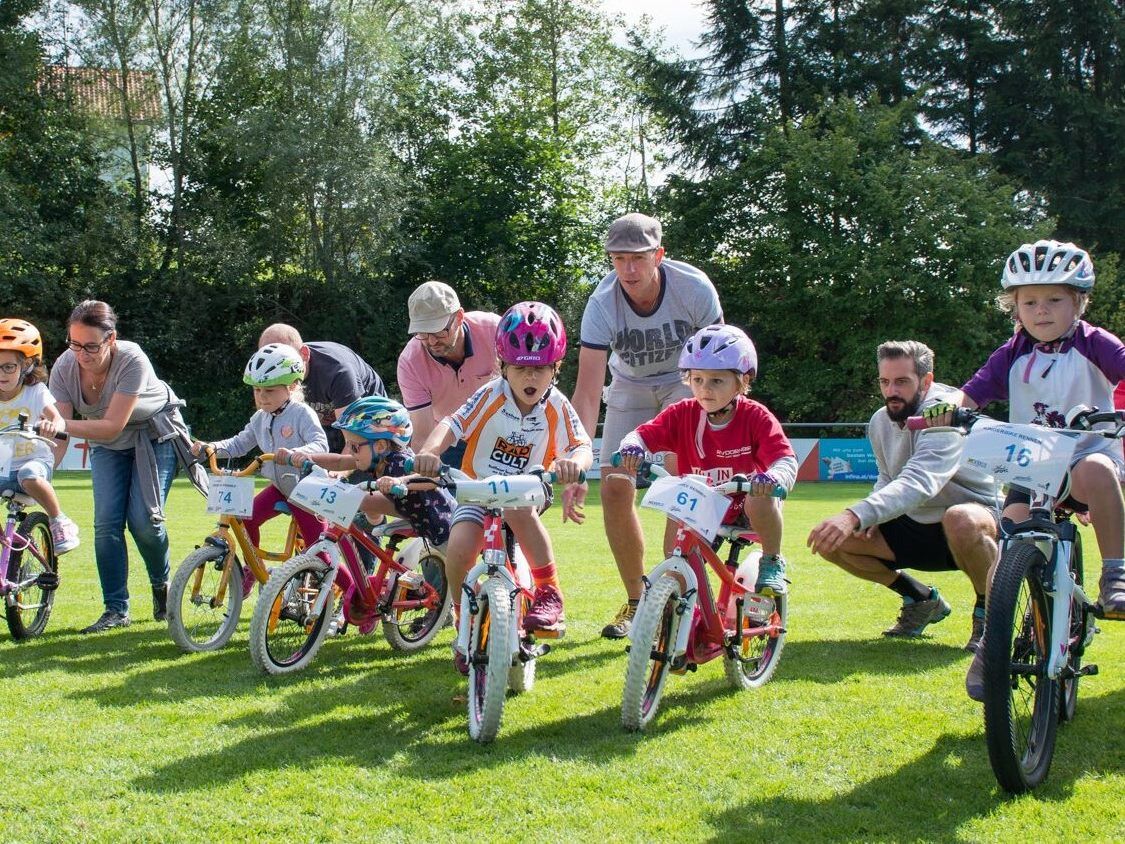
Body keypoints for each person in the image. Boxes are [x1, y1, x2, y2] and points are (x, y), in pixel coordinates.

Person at [925, 240, 1125, 699]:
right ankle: (992, 645)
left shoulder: (1095, 343)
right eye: (1029, 301)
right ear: (1013, 306)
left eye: (1055, 299)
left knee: (1096, 468)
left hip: (1085, 459)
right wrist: (947, 405)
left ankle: (1115, 572)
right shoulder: (1012, 352)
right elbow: (971, 393)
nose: (1041, 311)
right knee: (1009, 542)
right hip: (1034, 468)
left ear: (1078, 302)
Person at [413, 301, 592, 674]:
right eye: (521, 368)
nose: (531, 378)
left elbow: (581, 445)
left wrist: (575, 464)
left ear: (556, 369)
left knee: (516, 507)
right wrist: (430, 450)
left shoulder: (556, 405)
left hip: (529, 488)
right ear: (503, 367)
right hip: (478, 489)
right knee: (460, 549)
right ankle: (465, 620)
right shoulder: (490, 395)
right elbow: (453, 423)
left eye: (541, 368)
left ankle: (548, 591)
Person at [570, 212, 723, 638]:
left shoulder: (693, 288)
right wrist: (580, 457)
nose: (628, 270)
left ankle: (672, 593)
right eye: (618, 259)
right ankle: (639, 601)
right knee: (615, 482)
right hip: (630, 386)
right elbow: (586, 390)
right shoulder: (602, 304)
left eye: (637, 258)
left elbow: (719, 364)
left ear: (659, 254)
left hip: (686, 381)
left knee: (682, 477)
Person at [806, 340, 998, 654]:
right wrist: (870, 514)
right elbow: (888, 474)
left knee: (960, 518)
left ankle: (988, 613)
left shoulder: (944, 414)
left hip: (974, 522)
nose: (891, 391)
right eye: (885, 382)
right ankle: (920, 600)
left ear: (926, 381)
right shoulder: (880, 420)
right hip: (917, 523)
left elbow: (920, 481)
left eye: (902, 382)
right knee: (832, 540)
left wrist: (857, 513)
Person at [40, 301, 200, 633]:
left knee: (144, 522)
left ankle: (161, 584)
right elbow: (60, 432)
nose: (81, 354)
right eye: (74, 343)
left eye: (91, 346)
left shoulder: (132, 358)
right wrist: (42, 472)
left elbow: (109, 424)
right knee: (106, 524)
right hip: (108, 446)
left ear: (111, 339)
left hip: (155, 436)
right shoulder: (65, 366)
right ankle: (115, 610)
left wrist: (60, 426)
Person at [617, 325, 797, 594]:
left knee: (759, 498)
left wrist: (773, 478)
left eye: (716, 381)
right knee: (677, 559)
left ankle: (771, 561)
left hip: (750, 506)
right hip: (706, 506)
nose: (704, 390)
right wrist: (632, 447)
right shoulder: (682, 414)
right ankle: (683, 611)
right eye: (697, 379)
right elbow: (641, 435)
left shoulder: (756, 417)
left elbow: (785, 459)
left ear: (742, 381)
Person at [192, 344, 329, 593]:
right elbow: (238, 444)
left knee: (321, 553)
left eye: (269, 390)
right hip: (280, 488)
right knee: (246, 520)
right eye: (257, 390)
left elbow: (321, 444)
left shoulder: (301, 414)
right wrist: (211, 447)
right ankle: (252, 568)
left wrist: (298, 453)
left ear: (292, 387)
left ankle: (355, 599)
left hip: (307, 492)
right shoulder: (260, 417)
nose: (261, 397)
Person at [276, 396, 454, 548]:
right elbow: (338, 461)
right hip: (412, 513)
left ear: (381, 446)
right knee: (356, 495)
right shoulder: (374, 458)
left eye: (354, 446)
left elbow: (434, 477)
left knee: (461, 581)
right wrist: (304, 456)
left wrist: (401, 481)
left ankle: (370, 521)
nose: (351, 452)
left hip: (442, 525)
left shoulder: (400, 462)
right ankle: (371, 521)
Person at [396, 281, 500, 468]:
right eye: (423, 333)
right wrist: (424, 472)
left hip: (502, 434)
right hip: (449, 440)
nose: (432, 341)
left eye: (439, 331)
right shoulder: (410, 362)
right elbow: (422, 435)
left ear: (459, 317)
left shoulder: (496, 331)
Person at [0, 319, 79, 552]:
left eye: (8, 367)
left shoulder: (35, 392)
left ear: (25, 365)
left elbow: (57, 418)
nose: (1, 373)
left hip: (34, 462)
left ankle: (59, 520)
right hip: (3, 467)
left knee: (29, 474)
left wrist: (52, 426)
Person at [257, 324, 386, 453]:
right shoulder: (268, 377)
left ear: (304, 354)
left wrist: (338, 472)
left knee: (366, 463)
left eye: (281, 360)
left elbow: (353, 440)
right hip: (328, 422)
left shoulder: (338, 371)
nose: (274, 369)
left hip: (368, 417)